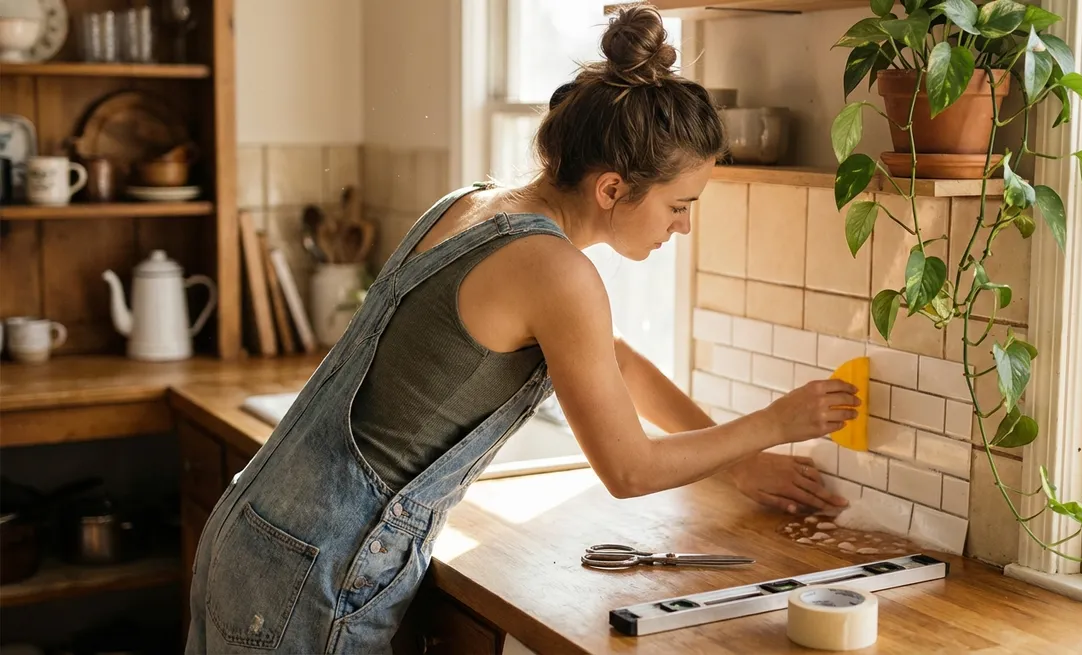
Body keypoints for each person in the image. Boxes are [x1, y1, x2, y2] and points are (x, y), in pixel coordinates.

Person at [185, 6, 857, 653]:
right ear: (612, 189)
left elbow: (611, 362)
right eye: (680, 205)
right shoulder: (556, 271)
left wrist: (739, 463)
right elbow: (627, 469)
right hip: (315, 574)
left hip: (258, 532)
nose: (683, 226)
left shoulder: (476, 203)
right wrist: (775, 421)